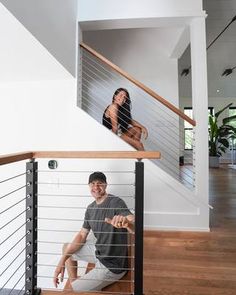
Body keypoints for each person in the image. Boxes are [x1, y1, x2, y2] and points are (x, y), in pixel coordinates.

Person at [53, 171, 134, 292]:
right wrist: (61, 262)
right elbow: (82, 235)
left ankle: (78, 286)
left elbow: (132, 220)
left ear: (105, 185)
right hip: (98, 251)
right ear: (89, 186)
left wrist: (127, 223)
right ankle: (74, 281)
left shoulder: (115, 202)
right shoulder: (90, 208)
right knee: (66, 248)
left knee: (76, 289)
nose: (96, 187)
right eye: (93, 183)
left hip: (112, 266)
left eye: (100, 183)